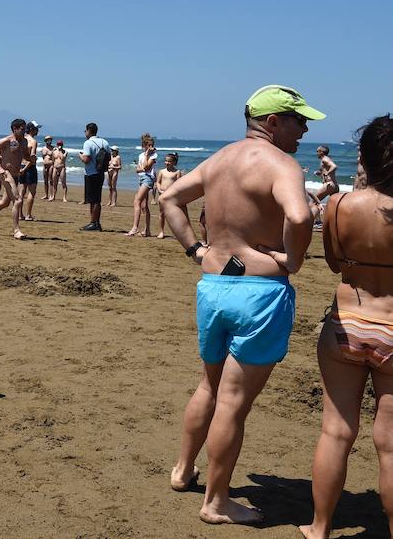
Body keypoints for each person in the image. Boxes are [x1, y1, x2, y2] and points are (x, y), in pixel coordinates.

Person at [160, 84, 324, 525]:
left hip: (214, 284)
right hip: (259, 291)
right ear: (272, 122)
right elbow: (300, 216)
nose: (304, 129)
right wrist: (293, 259)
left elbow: (169, 198)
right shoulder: (282, 164)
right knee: (233, 400)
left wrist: (195, 250)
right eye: (298, 119)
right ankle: (216, 501)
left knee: (208, 386)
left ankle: (182, 470)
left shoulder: (218, 161)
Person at [298, 115, 393, 539]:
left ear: (364, 157)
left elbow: (336, 263)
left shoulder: (337, 205)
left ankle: (320, 527)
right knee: (389, 444)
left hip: (346, 324)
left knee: (336, 431)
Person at [79, 122, 109, 231]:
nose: (85, 133)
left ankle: (93, 223)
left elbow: (86, 160)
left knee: (93, 200)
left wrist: (80, 156)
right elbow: (108, 157)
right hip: (100, 172)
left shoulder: (88, 143)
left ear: (89, 131)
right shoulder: (104, 142)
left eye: (85, 131)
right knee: (97, 199)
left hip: (91, 173)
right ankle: (96, 222)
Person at [126, 133, 158, 236]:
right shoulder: (141, 155)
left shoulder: (153, 155)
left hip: (148, 179)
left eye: (152, 145)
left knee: (137, 201)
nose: (151, 147)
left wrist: (147, 155)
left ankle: (135, 227)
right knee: (144, 206)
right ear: (144, 145)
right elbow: (138, 169)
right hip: (141, 179)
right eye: (149, 145)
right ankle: (147, 230)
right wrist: (142, 167)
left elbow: (146, 167)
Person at [156, 153, 186, 239]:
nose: (167, 163)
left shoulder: (177, 172)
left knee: (172, 214)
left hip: (171, 195)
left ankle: (175, 232)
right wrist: (159, 190)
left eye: (169, 161)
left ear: (174, 162)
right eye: (166, 161)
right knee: (161, 213)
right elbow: (158, 182)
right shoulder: (162, 171)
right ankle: (161, 231)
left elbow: (179, 184)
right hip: (162, 194)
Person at [18, 121, 41, 221]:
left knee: (21, 192)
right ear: (31, 129)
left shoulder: (22, 140)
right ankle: (28, 215)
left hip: (21, 165)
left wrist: (20, 168)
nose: (38, 131)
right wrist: (25, 168)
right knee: (31, 192)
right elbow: (32, 158)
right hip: (29, 167)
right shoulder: (33, 141)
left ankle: (20, 215)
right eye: (36, 129)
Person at [41, 136, 54, 200]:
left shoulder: (53, 148)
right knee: (45, 181)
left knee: (50, 180)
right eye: (48, 140)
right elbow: (43, 157)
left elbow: (54, 158)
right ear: (46, 141)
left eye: (50, 140)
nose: (50, 141)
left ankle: (51, 195)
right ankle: (46, 195)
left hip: (51, 165)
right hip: (45, 165)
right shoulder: (43, 148)